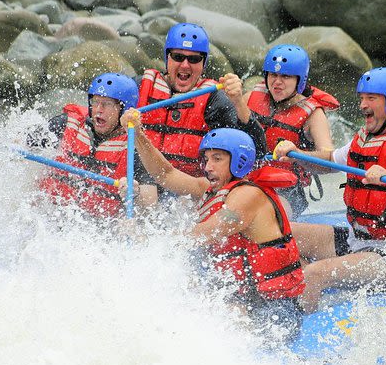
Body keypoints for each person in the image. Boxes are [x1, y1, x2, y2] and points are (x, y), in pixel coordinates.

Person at [273, 67, 386, 313]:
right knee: (281, 233)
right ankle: (302, 297)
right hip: (359, 240)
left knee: (315, 274)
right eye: (362, 98)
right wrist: (295, 155)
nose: (362, 105)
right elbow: (330, 160)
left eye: (371, 98)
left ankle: (292, 335)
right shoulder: (366, 136)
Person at [121, 106, 306, 345]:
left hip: (274, 312)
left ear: (239, 161)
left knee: (212, 326)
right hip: (240, 299)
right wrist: (139, 135)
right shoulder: (211, 189)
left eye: (217, 159)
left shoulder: (248, 196)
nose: (208, 167)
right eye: (206, 159)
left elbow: (203, 234)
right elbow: (165, 175)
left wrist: (145, 239)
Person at [136, 22, 267, 177]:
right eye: (178, 57)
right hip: (139, 182)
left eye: (194, 59)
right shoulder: (140, 86)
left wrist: (238, 103)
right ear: (167, 58)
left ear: (203, 63)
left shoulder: (214, 100)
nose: (185, 65)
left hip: (188, 189)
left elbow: (257, 151)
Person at [229, 44, 340, 217]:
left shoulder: (313, 115)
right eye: (273, 74)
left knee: (261, 214)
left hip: (287, 190)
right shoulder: (250, 97)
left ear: (300, 80)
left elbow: (332, 163)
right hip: (246, 179)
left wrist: (298, 153)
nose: (277, 82)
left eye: (286, 76)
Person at [36, 72, 158, 218]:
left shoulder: (135, 145)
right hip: (51, 212)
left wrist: (134, 192)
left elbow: (151, 202)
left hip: (100, 224)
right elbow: (22, 143)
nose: (99, 109)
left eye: (107, 104)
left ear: (123, 110)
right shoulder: (65, 124)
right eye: (95, 102)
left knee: (128, 227)